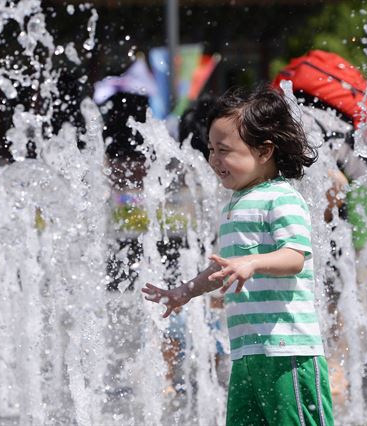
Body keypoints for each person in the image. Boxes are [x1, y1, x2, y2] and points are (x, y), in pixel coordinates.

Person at [142, 85, 333, 425]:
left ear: (264, 150)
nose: (214, 160)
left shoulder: (281, 198)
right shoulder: (236, 204)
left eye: (225, 150)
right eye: (211, 149)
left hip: (287, 351)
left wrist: (253, 262)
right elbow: (224, 269)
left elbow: (295, 257)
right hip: (247, 351)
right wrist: (187, 290)